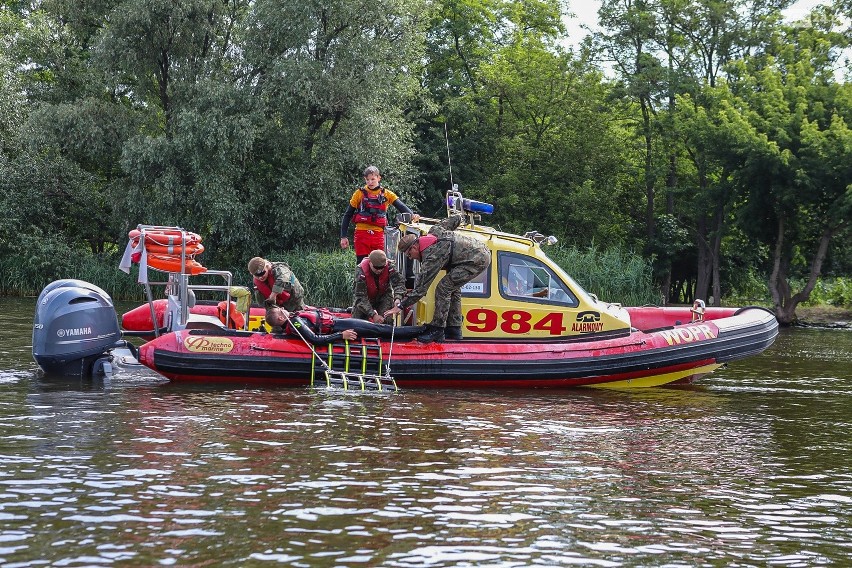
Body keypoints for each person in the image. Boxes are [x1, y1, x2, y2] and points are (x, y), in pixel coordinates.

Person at [384, 213, 491, 343]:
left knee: (443, 288)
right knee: (452, 288)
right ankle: (454, 328)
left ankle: (438, 329)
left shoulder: (431, 257)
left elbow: (420, 290)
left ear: (415, 247)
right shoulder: (434, 231)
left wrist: (400, 306)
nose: (411, 258)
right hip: (476, 251)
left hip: (477, 259)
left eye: (409, 254)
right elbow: (456, 219)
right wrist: (461, 219)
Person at [340, 165, 420, 263]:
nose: (370, 182)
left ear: (379, 178)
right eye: (367, 180)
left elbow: (401, 206)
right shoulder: (359, 194)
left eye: (372, 179)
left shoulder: (387, 194)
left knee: (380, 263)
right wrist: (343, 236)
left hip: (378, 235)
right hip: (361, 234)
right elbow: (348, 215)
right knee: (362, 263)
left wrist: (412, 215)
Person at [266, 306, 425, 344]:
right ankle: (423, 330)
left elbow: (320, 312)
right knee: (383, 330)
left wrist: (343, 310)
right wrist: (341, 335)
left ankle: (419, 331)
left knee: (382, 330)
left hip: (339, 322)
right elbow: (314, 339)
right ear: (280, 318)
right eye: (281, 310)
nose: (285, 309)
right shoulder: (295, 323)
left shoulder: (295, 318)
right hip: (340, 327)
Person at [352, 249, 407, 324]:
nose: (379, 270)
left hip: (384, 296)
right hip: (365, 298)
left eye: (382, 268)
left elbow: (399, 283)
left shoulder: (390, 267)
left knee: (387, 319)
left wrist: (398, 298)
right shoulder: (360, 271)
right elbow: (360, 296)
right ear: (370, 263)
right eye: (376, 268)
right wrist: (373, 315)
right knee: (358, 323)